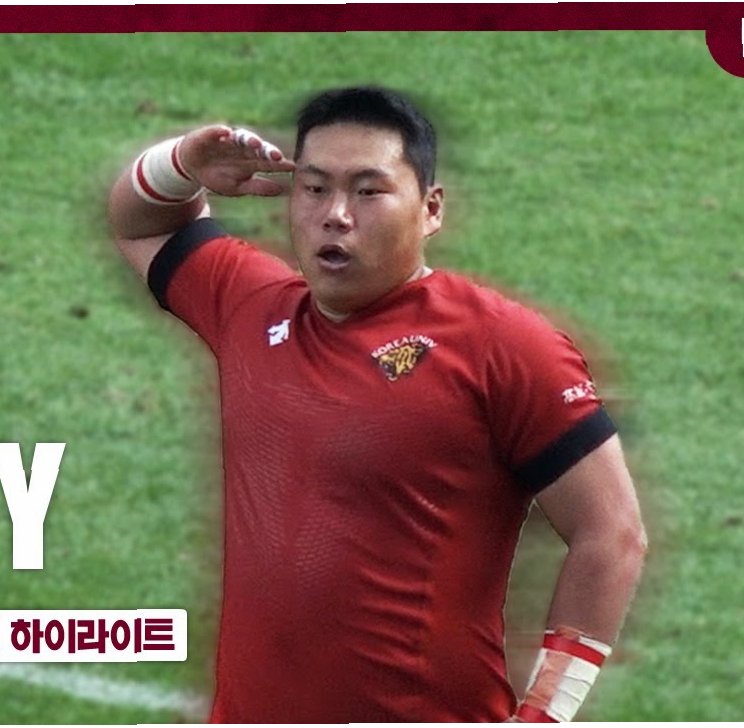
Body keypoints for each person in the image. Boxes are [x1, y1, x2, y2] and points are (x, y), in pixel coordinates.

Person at [107, 86, 646, 723]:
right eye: (314, 188)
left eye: (368, 191)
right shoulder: (251, 306)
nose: (335, 214)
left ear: (431, 209)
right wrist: (182, 163)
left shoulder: (503, 346)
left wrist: (546, 716)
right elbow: (142, 221)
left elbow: (611, 533)